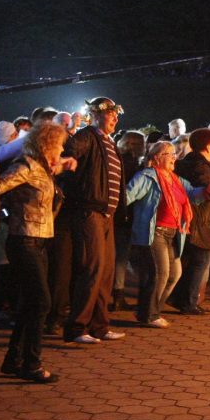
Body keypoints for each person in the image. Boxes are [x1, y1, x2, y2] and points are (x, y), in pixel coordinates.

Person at [0, 122, 76, 383]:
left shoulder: (42, 167)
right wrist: (8, 215)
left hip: (39, 241)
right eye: (60, 144)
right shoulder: (27, 166)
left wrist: (63, 164)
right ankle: (31, 363)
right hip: (24, 240)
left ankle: (14, 359)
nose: (63, 148)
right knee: (41, 301)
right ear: (48, 144)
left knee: (30, 302)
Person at [126, 142, 210, 326]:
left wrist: (207, 191)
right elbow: (127, 195)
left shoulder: (175, 179)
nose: (174, 157)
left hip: (173, 233)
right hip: (155, 232)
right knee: (161, 273)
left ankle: (153, 310)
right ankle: (149, 315)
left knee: (175, 274)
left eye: (174, 153)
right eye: (169, 154)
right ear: (157, 158)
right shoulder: (147, 176)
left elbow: (192, 193)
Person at [60, 96, 127, 344]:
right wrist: (69, 153)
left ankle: (100, 325)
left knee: (106, 271)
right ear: (96, 114)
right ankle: (77, 327)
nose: (115, 118)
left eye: (116, 114)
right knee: (92, 268)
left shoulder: (109, 142)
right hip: (89, 211)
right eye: (111, 113)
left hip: (106, 215)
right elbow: (70, 150)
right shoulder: (88, 136)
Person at [170, 128, 210, 315]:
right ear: (209, 145)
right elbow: (206, 189)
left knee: (190, 261)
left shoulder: (185, 163)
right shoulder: (201, 166)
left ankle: (181, 298)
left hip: (192, 219)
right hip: (203, 221)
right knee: (200, 262)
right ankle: (188, 302)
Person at [112, 131, 146, 312]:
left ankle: (112, 292)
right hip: (127, 214)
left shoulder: (116, 161)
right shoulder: (136, 166)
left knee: (114, 254)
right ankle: (118, 293)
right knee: (122, 256)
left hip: (112, 213)